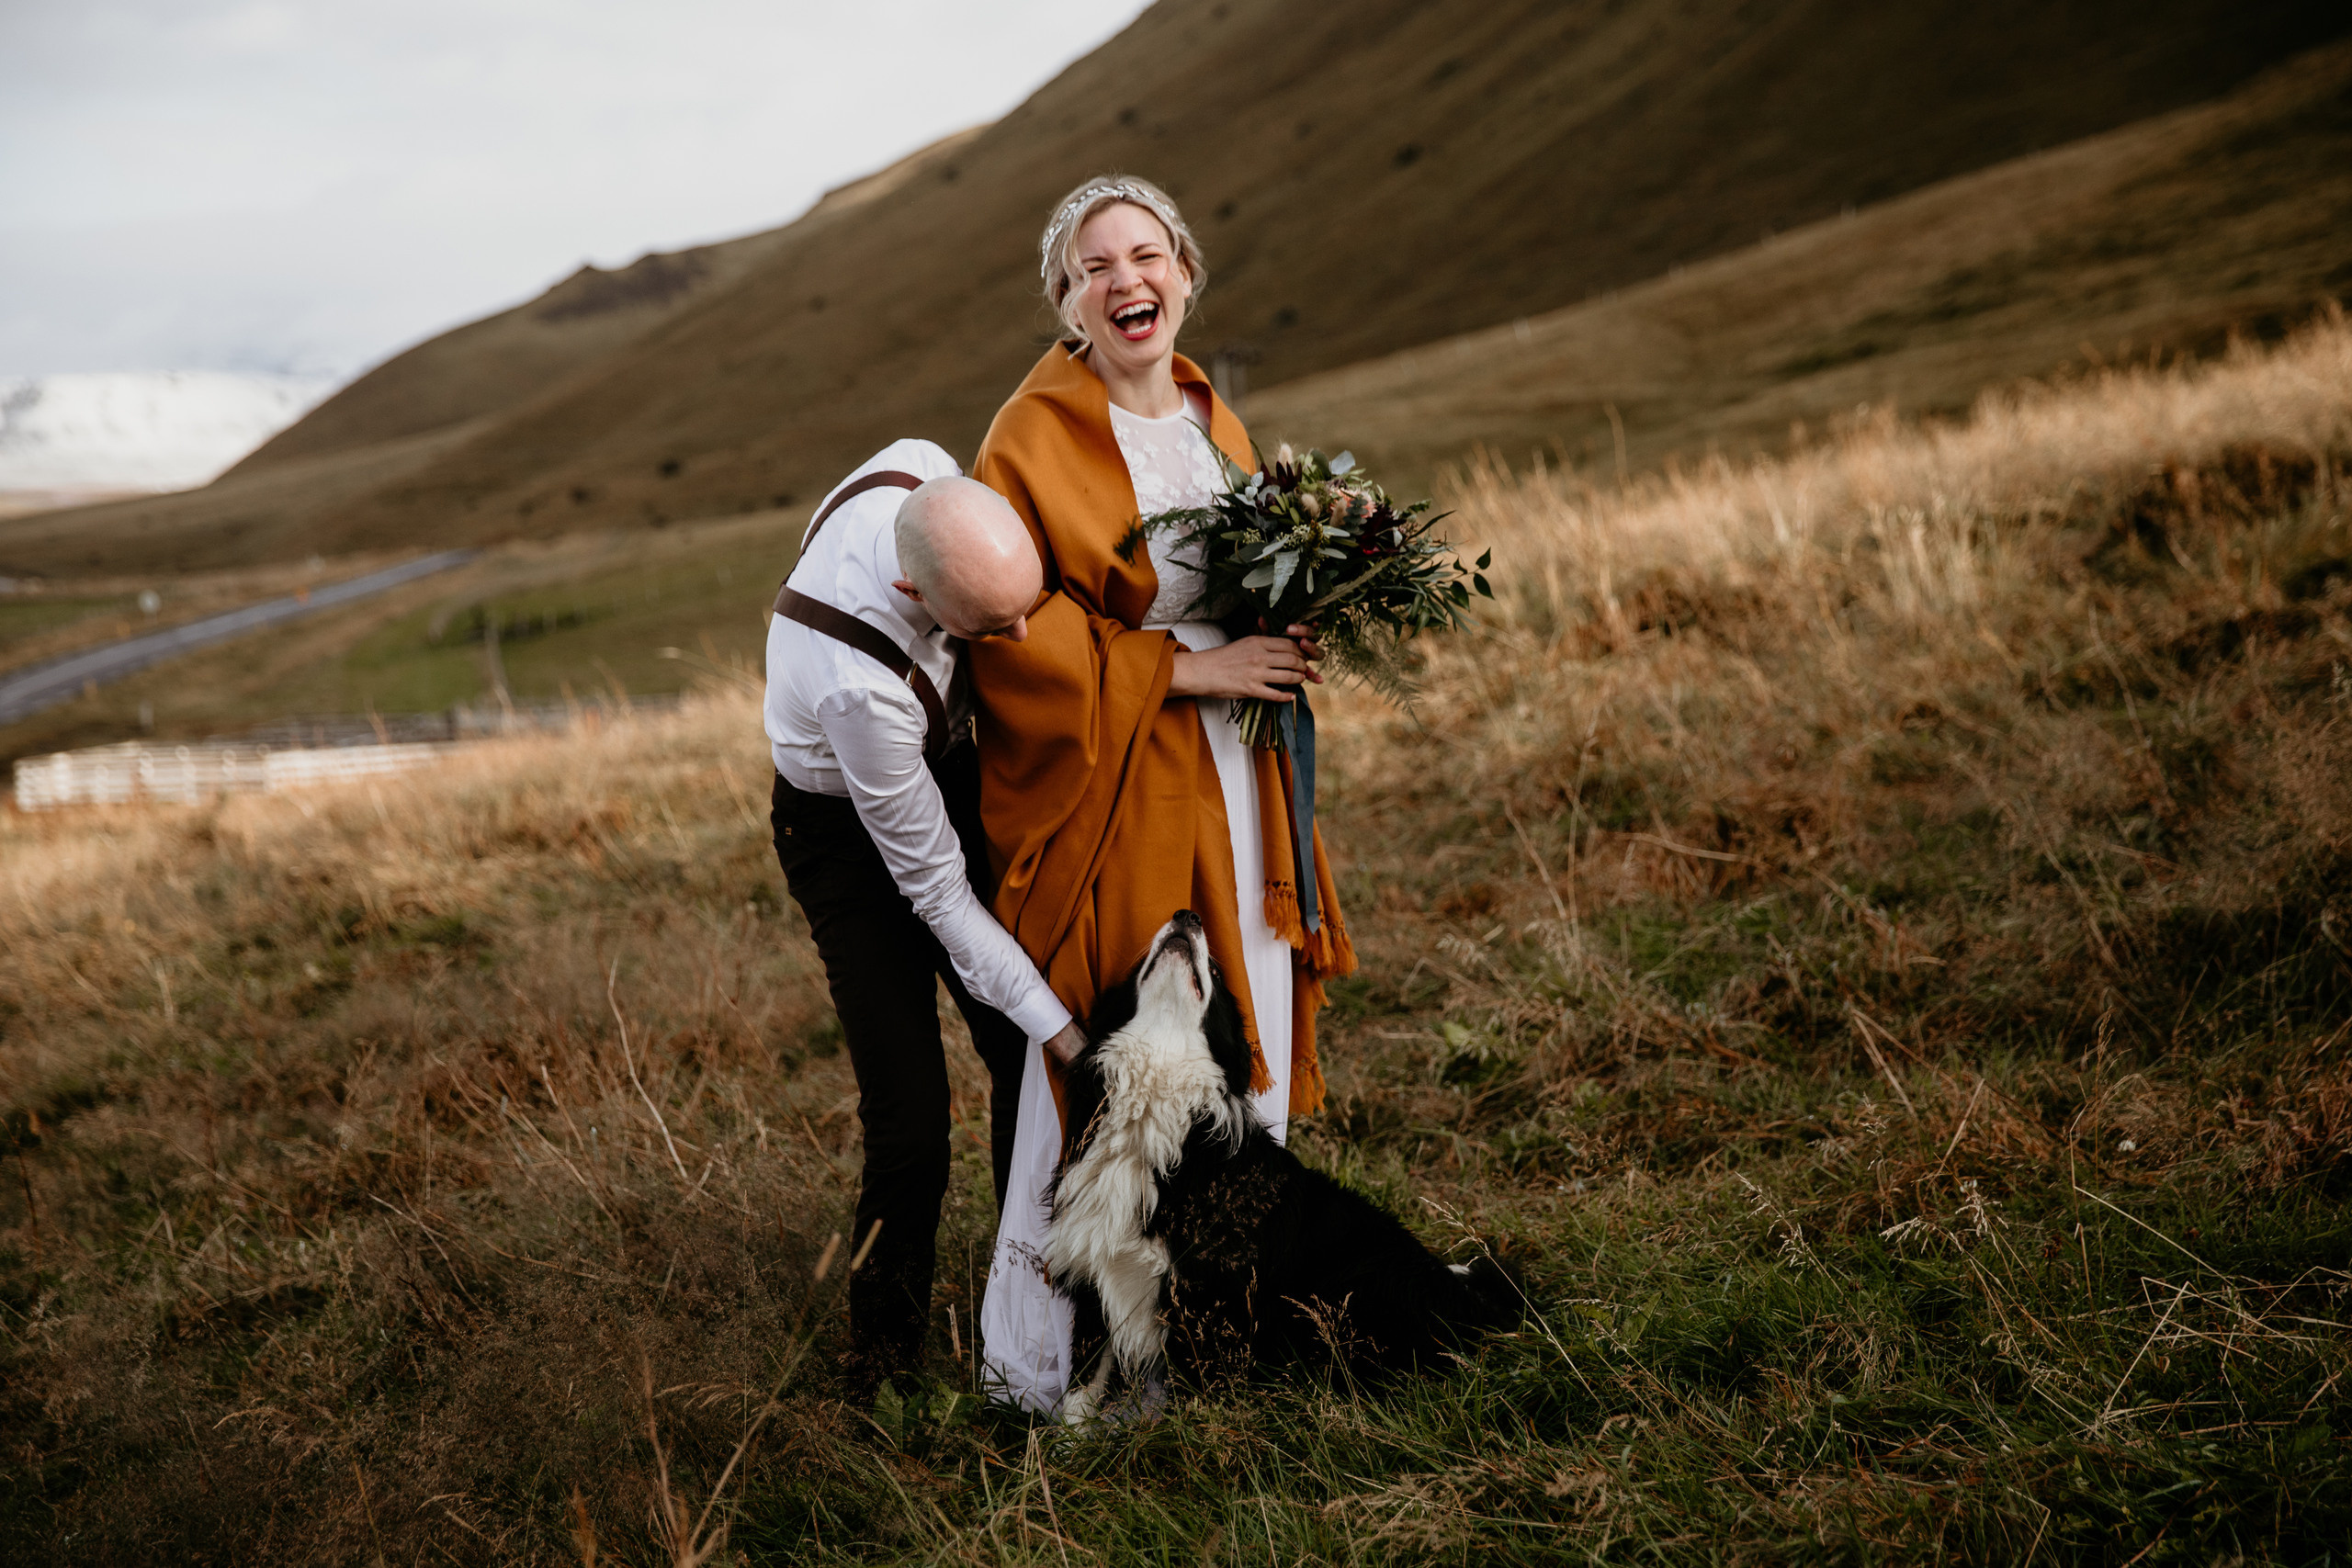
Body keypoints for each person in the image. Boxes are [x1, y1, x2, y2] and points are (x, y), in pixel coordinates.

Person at [967, 176, 1357, 1412]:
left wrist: (1308, 610)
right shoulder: (1025, 440)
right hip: (1124, 778)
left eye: (1146, 256)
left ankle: (1234, 1322)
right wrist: (1188, 672)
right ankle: (1054, 1361)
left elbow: (1243, 581)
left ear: (1185, 272)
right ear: (1068, 302)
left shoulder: (1212, 420)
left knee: (1251, 1004)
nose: (1126, 281)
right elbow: (1015, 636)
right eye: (1096, 268)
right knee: (1133, 1043)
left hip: (1242, 775)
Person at [764, 438, 1088, 1394]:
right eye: (990, 631)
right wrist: (1064, 1029)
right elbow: (937, 897)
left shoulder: (919, 461)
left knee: (1011, 1056)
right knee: (909, 1119)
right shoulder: (858, 686)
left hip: (932, 768)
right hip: (839, 840)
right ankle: (883, 1367)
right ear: (913, 598)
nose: (1018, 641)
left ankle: (1028, 1300)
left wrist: (1034, 1036)